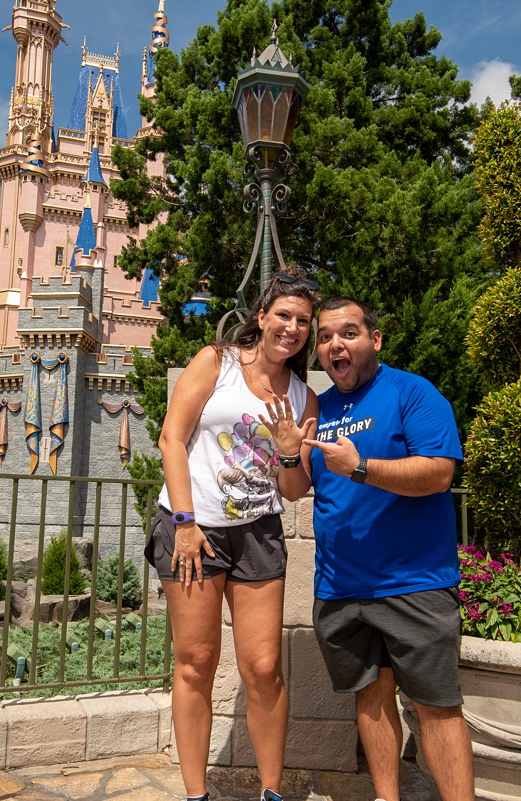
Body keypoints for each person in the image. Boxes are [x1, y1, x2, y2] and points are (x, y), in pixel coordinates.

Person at [145, 272, 321, 801]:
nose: (292, 328)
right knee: (196, 662)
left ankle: (271, 791)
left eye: (302, 322)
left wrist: (290, 449)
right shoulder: (215, 361)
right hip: (192, 529)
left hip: (258, 533)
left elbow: (292, 489)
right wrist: (184, 522)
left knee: (264, 667)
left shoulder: (303, 398)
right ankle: (196, 794)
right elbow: (171, 437)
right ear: (262, 316)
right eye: (283, 316)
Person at [301, 297, 474, 801]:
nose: (336, 344)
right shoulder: (321, 408)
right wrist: (290, 451)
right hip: (340, 586)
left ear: (374, 340)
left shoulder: (413, 393)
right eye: (327, 337)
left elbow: (439, 473)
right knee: (371, 699)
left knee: (435, 706)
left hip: (414, 584)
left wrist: (361, 467)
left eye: (349, 333)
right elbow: (298, 487)